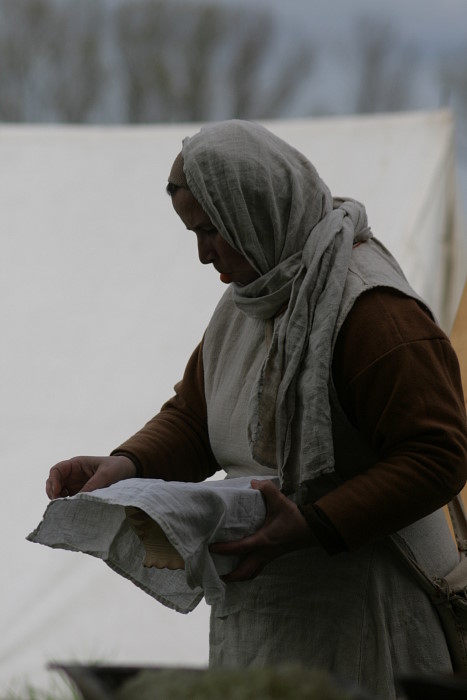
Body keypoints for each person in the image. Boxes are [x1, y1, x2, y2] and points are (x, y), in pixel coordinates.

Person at [46, 120, 467, 699]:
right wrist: (128, 465)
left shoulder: (374, 311)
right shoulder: (252, 297)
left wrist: (313, 523)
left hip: (370, 615)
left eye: (211, 230)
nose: (202, 255)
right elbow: (196, 416)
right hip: (273, 618)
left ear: (255, 209)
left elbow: (437, 455)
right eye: (194, 233)